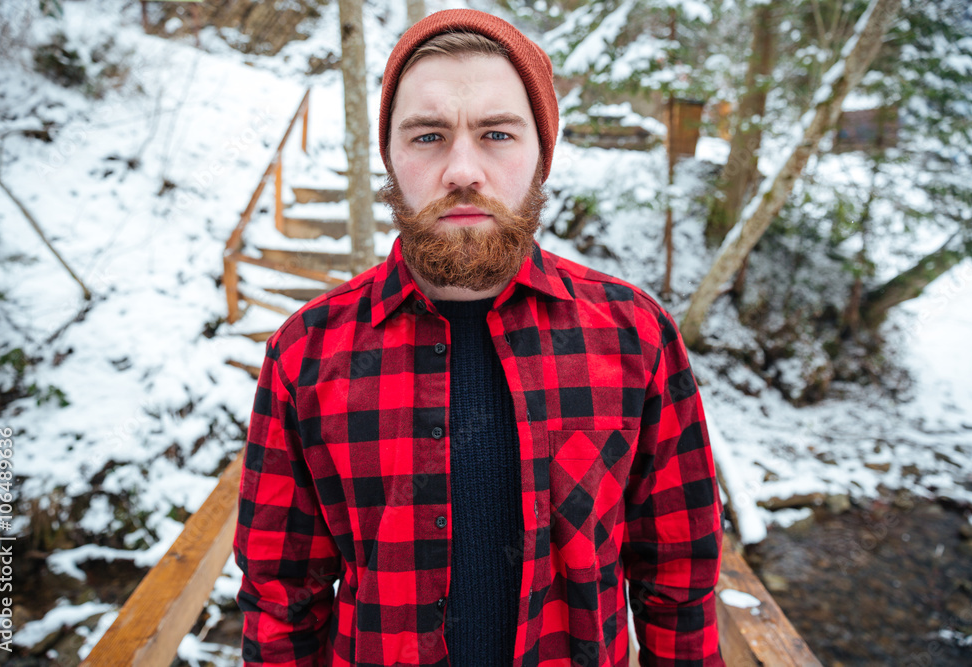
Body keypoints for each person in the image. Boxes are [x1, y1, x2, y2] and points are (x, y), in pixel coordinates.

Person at [234, 9, 724, 667]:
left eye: (496, 133)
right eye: (429, 135)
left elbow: (678, 581)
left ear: (540, 154)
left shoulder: (636, 338)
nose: (463, 169)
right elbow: (280, 600)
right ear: (390, 156)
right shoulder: (306, 354)